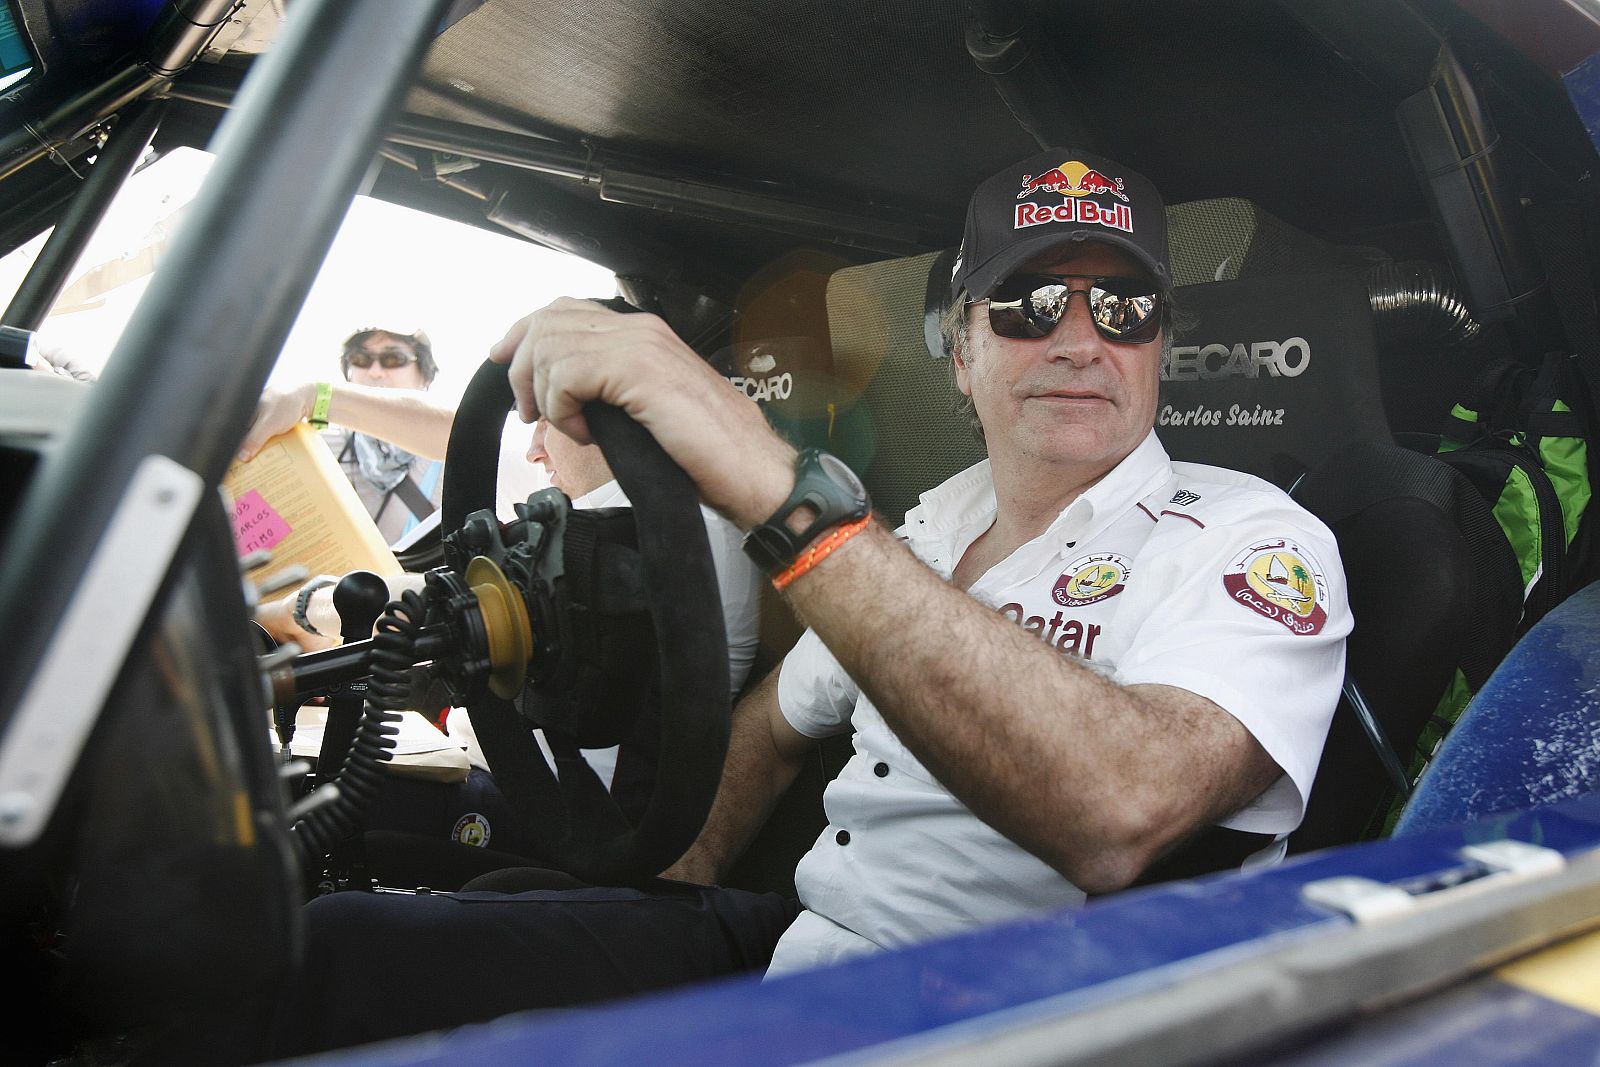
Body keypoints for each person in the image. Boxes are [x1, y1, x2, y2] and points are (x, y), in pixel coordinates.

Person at [277, 149, 1349, 1054]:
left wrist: (781, 493)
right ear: (962, 351)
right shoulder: (929, 521)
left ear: (1158, 342)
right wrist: (651, 884)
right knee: (347, 947)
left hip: (996, 1021)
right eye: (1028, 306)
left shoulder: (1251, 539)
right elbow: (778, 725)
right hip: (795, 950)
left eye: (1123, 307)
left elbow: (1123, 810)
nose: (1081, 338)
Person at [243, 327, 448, 544]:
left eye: (393, 358)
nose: (375, 371)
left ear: (425, 376)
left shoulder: (448, 454)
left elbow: (455, 429)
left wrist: (313, 395)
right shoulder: (320, 446)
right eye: (361, 358)